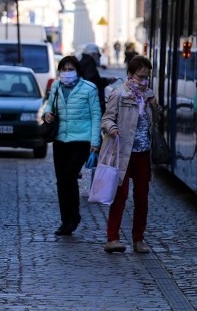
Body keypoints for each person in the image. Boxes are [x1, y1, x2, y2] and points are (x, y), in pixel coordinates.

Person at [100, 55, 160, 254]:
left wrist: (155, 105)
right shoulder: (119, 94)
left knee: (142, 197)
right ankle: (113, 238)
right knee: (121, 195)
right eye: (140, 76)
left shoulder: (149, 96)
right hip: (123, 152)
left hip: (143, 153)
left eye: (146, 77)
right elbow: (106, 119)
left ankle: (138, 239)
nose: (143, 81)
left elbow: (155, 123)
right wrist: (112, 128)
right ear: (131, 75)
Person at [42, 54, 102, 235]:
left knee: (69, 176)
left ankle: (74, 217)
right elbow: (48, 106)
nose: (67, 73)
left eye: (70, 69)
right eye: (64, 70)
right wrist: (47, 114)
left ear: (77, 71)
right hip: (60, 140)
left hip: (81, 141)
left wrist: (95, 142)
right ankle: (65, 220)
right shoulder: (56, 86)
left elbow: (96, 115)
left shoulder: (89, 88)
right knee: (61, 181)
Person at [78, 42, 115, 111]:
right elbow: (92, 81)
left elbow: (94, 79)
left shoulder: (84, 63)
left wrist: (106, 81)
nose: (99, 57)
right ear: (93, 54)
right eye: (98, 55)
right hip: (94, 105)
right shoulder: (89, 64)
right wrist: (106, 81)